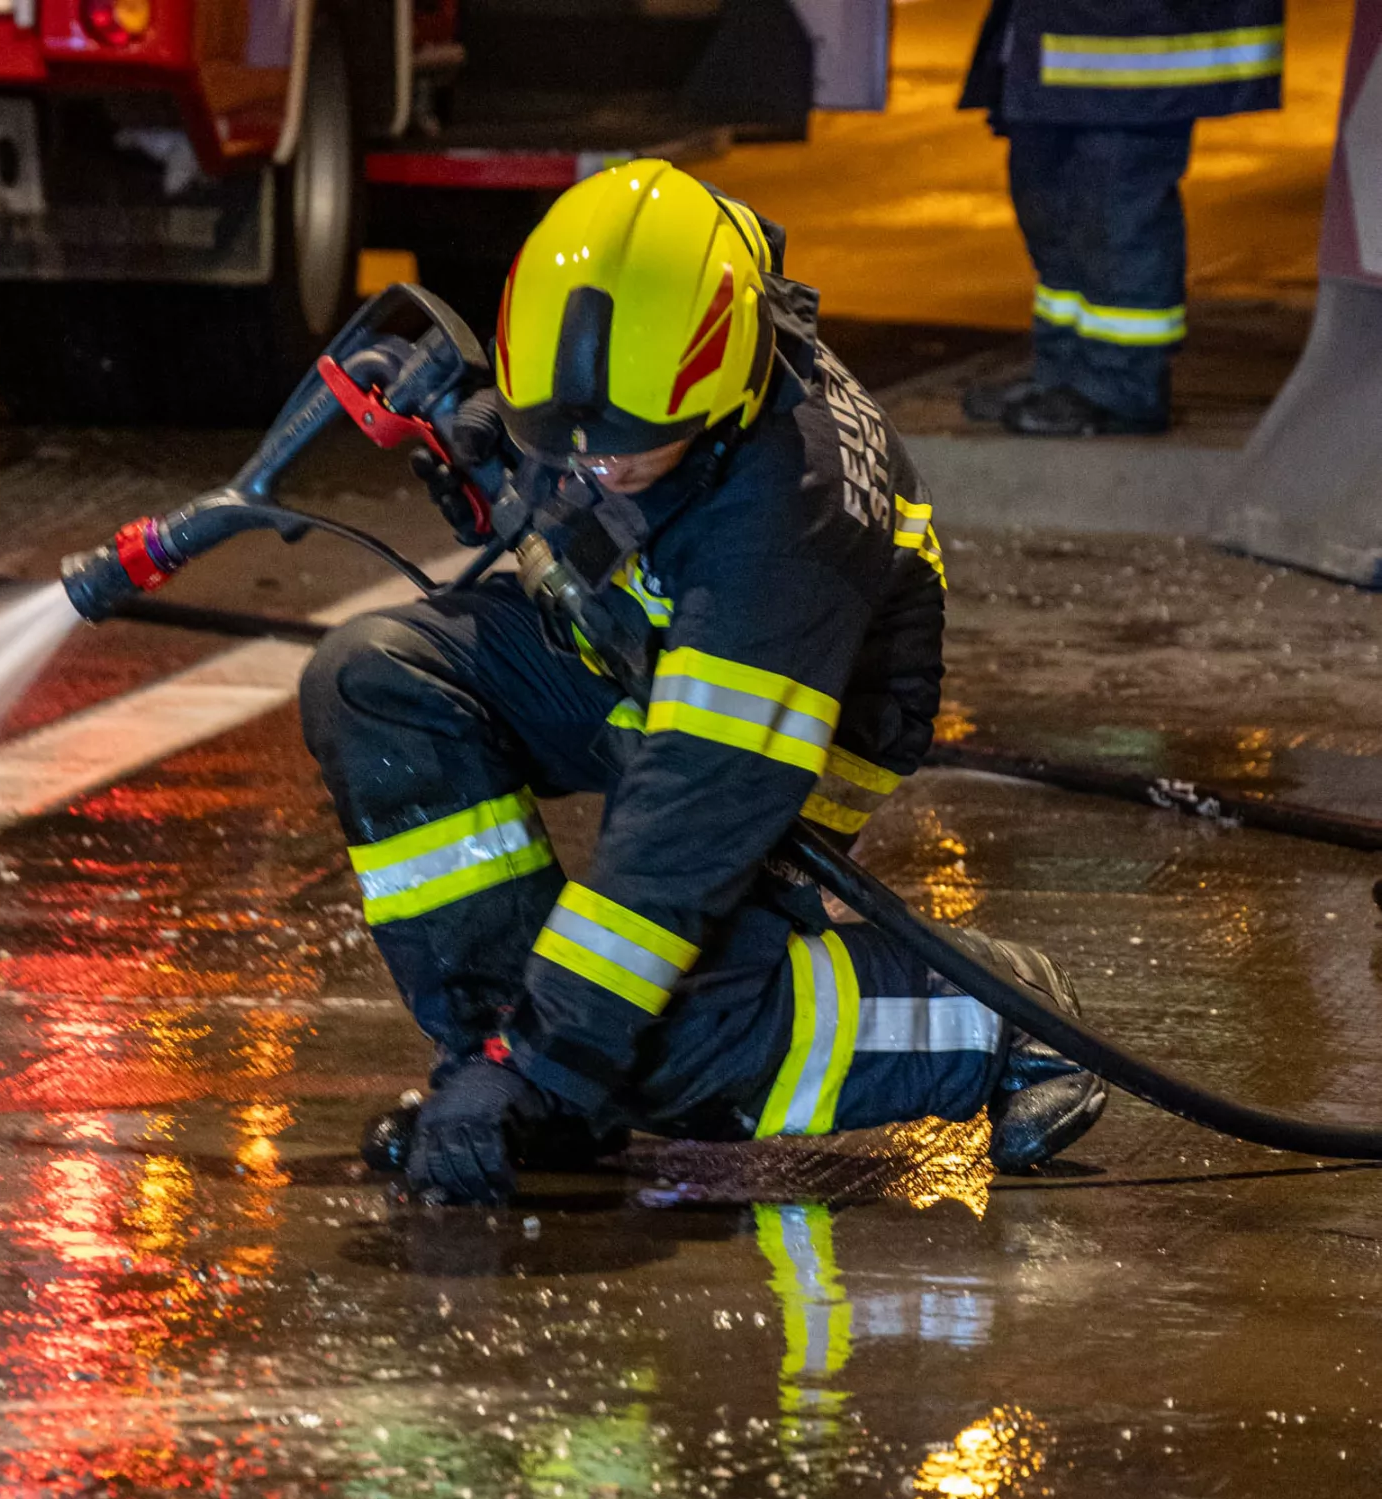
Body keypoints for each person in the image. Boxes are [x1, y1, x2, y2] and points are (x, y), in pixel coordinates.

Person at [299, 161, 1107, 1206]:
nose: (598, 470)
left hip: (790, 717)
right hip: (644, 642)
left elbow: (678, 833)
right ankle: (511, 1072)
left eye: (627, 451)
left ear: (719, 392)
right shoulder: (664, 329)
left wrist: (555, 1053)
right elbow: (615, 464)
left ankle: (997, 1019)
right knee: (374, 680)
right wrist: (508, 440)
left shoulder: (787, 519)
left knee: (657, 1034)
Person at [961, 2, 1286, 435]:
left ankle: (1123, 386)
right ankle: (1064, 372)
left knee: (1116, 212)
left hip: (1138, 39)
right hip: (1066, 34)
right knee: (1051, 199)